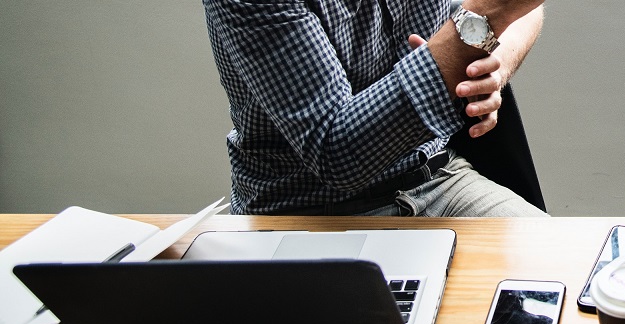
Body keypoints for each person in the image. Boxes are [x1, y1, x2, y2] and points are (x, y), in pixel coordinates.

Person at [203, 0, 547, 216]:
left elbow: (514, 10)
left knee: (561, 268)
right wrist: (475, 27)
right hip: (307, 212)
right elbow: (335, 153)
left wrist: (494, 66)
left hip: (438, 178)